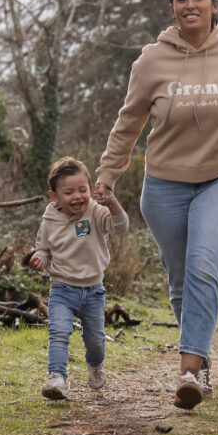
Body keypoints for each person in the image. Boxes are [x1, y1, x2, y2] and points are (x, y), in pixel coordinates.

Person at [94, 0, 218, 409]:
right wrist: (106, 174)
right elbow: (129, 123)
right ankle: (202, 355)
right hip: (165, 185)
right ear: (172, 8)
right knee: (180, 280)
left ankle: (189, 371)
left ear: (215, 5)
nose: (190, 4)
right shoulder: (151, 61)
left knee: (201, 266)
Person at [30, 156, 129, 400]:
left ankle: (95, 366)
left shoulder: (95, 212)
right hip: (62, 289)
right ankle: (56, 378)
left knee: (95, 340)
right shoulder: (50, 219)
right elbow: (42, 247)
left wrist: (113, 203)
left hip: (93, 291)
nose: (78, 197)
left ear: (90, 190)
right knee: (59, 332)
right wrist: (40, 258)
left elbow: (121, 227)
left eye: (83, 190)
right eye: (69, 192)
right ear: (55, 197)